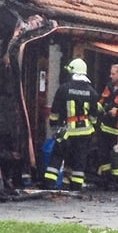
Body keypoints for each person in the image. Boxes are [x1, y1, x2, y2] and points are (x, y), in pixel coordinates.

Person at [43, 57, 100, 191]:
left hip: (67, 130)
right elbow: (93, 116)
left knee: (57, 156)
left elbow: (55, 111)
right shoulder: (92, 92)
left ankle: (49, 185)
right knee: (80, 160)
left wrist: (53, 123)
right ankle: (76, 187)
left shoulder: (64, 89)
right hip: (85, 132)